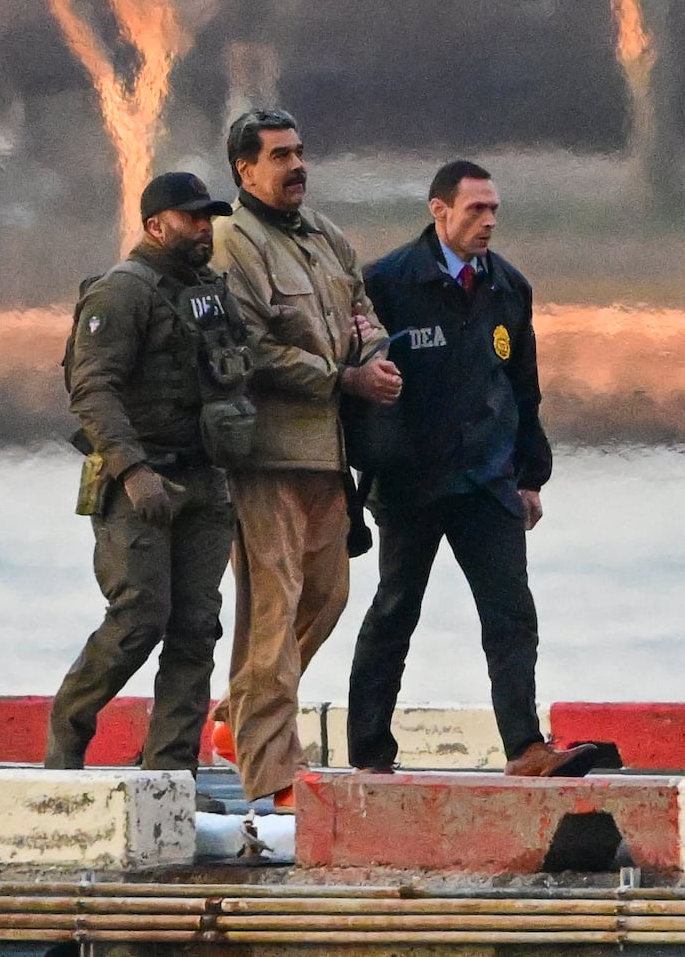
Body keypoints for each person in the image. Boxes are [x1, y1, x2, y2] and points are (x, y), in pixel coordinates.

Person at [346, 161, 598, 778]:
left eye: (493, 211)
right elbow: (352, 388)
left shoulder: (508, 286)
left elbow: (522, 386)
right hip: (411, 481)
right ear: (439, 209)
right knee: (396, 609)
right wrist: (359, 475)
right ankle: (370, 751)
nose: (486, 222)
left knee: (511, 612)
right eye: (474, 210)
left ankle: (524, 748)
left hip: (487, 479)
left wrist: (530, 475)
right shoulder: (386, 282)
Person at [209, 109, 402, 811]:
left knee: (328, 594)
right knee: (273, 604)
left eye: (300, 152)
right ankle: (273, 777)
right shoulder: (235, 241)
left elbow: (365, 314)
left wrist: (373, 354)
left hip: (329, 454)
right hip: (265, 455)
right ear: (245, 169)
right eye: (280, 155)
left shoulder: (325, 237)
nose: (297, 166)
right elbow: (249, 348)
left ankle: (241, 715)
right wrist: (341, 375)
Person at [44, 173, 250, 814]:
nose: (204, 229)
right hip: (140, 482)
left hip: (205, 481)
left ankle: (171, 775)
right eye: (192, 219)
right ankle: (64, 749)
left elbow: (240, 368)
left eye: (208, 218)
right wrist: (133, 472)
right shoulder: (123, 292)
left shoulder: (211, 294)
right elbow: (92, 390)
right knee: (138, 619)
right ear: (156, 224)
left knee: (196, 629)